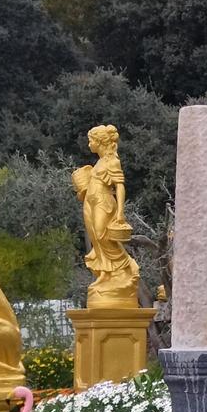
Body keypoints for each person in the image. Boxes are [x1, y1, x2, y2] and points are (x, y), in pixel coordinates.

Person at [74, 124, 140, 306]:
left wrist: (120, 212)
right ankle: (105, 274)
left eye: (91, 141)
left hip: (104, 202)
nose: (89, 145)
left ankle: (128, 266)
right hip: (91, 202)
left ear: (99, 142)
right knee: (96, 238)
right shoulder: (99, 162)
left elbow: (119, 186)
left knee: (104, 236)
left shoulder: (112, 161)